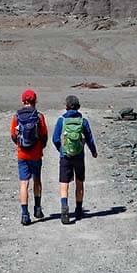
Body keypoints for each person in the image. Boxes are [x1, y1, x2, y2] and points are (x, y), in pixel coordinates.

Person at [52, 94, 97, 225]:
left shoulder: (61, 120)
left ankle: (64, 207)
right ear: (78, 106)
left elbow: (55, 139)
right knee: (79, 181)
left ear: (66, 107)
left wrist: (61, 149)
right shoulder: (83, 121)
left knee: (64, 183)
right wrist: (93, 151)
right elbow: (89, 139)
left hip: (65, 156)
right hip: (79, 156)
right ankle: (78, 209)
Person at [10, 89, 47, 226]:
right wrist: (40, 147)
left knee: (24, 183)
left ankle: (25, 215)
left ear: (22, 101)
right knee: (37, 180)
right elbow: (44, 136)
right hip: (36, 154)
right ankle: (37, 209)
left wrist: (21, 146)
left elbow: (13, 136)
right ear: (35, 101)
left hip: (22, 155)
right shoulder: (39, 116)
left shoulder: (16, 117)